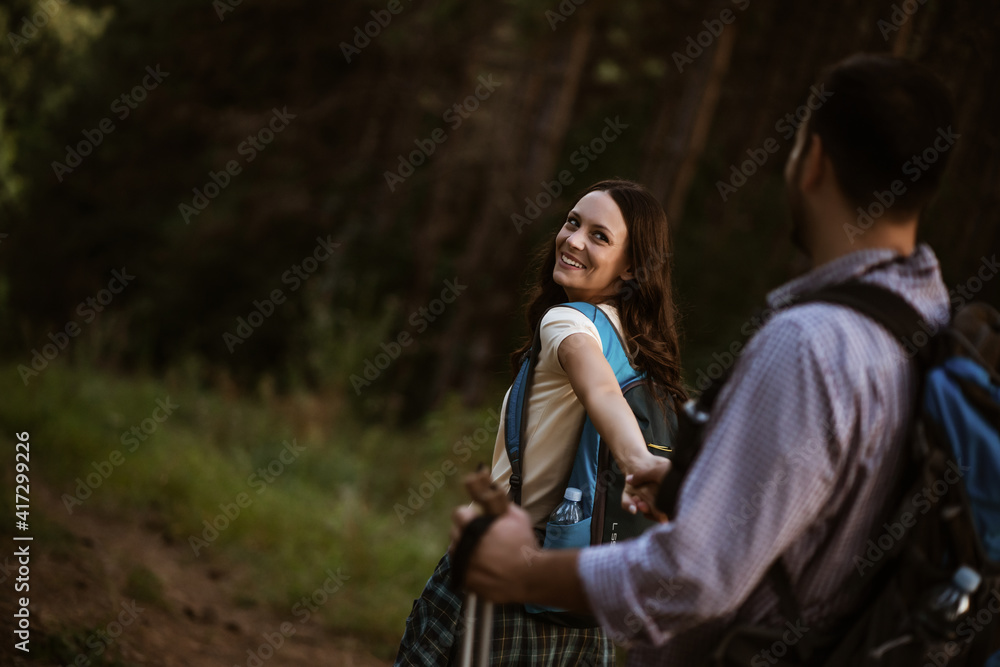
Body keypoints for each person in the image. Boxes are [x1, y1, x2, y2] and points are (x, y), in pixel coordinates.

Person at [450, 53, 957, 665]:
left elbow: (691, 577)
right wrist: (701, 488)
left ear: (813, 161)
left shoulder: (809, 344)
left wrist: (521, 572)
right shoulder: (931, 330)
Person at [396, 179, 687, 665]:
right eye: (573, 222)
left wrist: (636, 461)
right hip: (579, 598)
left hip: (501, 582)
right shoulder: (645, 358)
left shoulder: (568, 322)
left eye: (599, 236)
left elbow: (598, 388)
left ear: (632, 267)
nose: (573, 240)